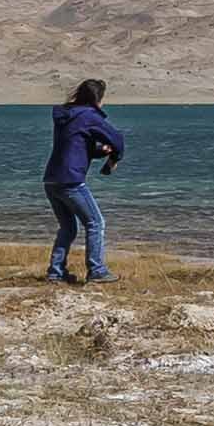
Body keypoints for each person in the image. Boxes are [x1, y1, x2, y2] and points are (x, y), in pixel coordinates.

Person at [42, 78, 123, 285]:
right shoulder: (88, 116)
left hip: (52, 180)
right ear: (97, 99)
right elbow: (116, 139)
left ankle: (56, 272)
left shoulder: (66, 116)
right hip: (71, 181)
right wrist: (114, 158)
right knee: (95, 223)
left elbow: (76, 145)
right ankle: (97, 270)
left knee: (68, 228)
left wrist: (98, 151)